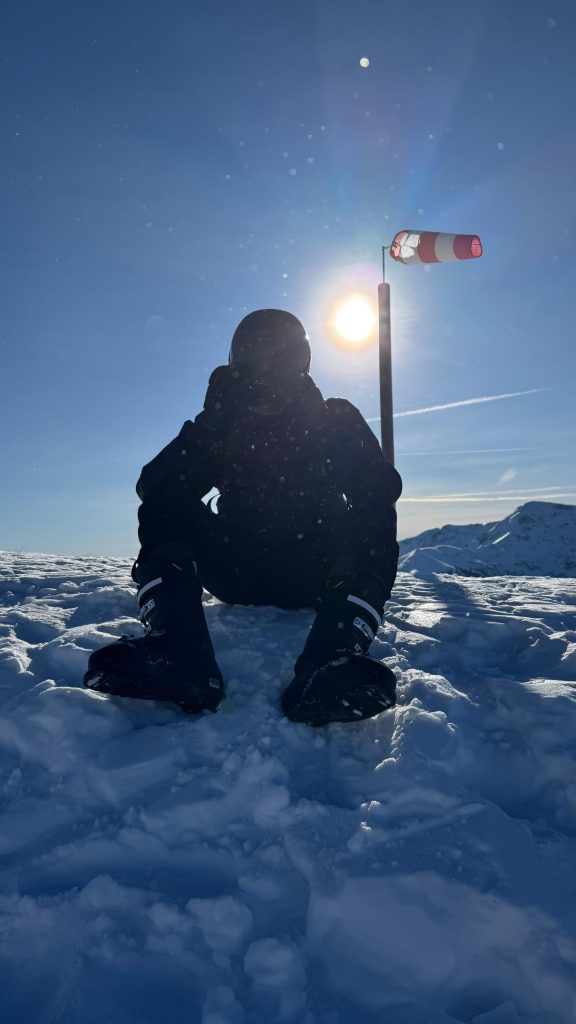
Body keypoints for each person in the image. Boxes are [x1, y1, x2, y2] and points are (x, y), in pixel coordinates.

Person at [83, 309, 402, 726]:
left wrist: (328, 429)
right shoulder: (224, 426)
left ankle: (335, 657)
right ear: (236, 369)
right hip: (237, 568)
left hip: (317, 573)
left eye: (281, 363)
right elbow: (156, 487)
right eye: (255, 365)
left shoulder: (333, 419)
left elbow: (379, 491)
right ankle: (176, 649)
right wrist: (209, 426)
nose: (268, 378)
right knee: (166, 504)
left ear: (302, 364)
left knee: (372, 516)